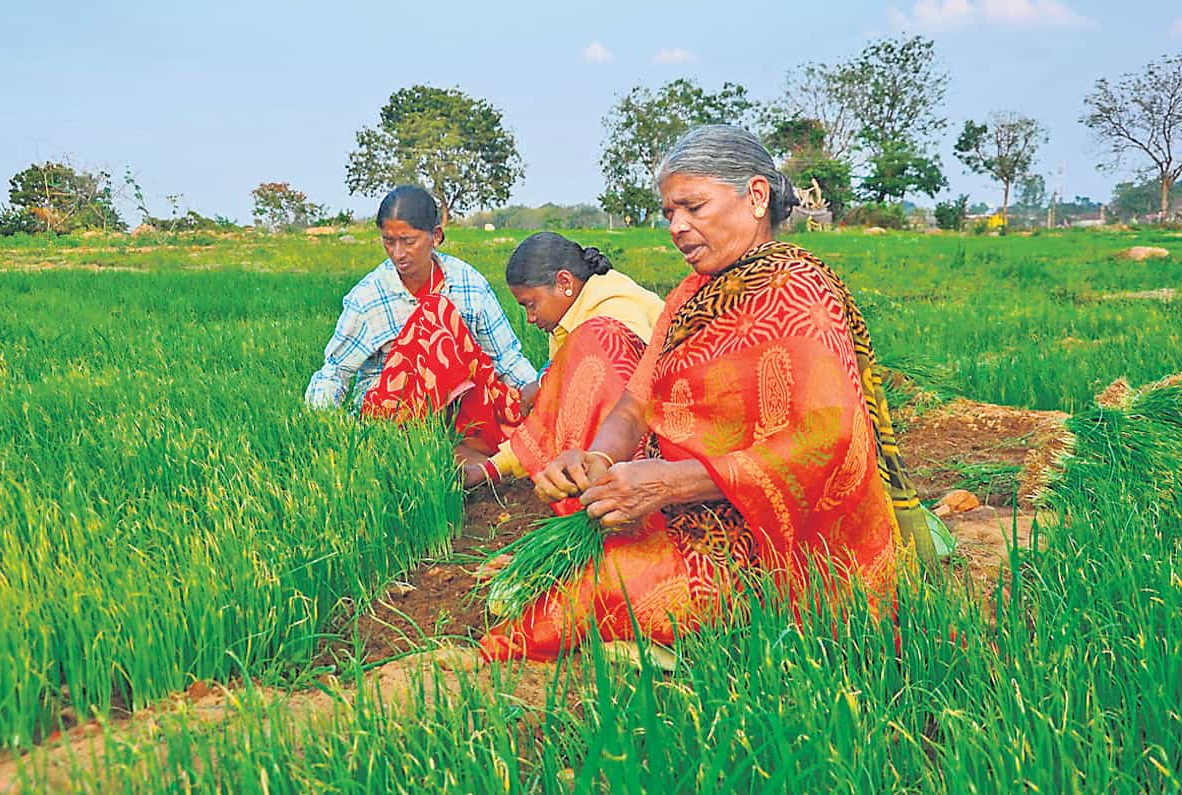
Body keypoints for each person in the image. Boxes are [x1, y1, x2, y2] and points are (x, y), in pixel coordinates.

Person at [480, 126, 936, 662]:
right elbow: (635, 403)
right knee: (578, 563)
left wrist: (671, 484)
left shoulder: (799, 292)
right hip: (682, 501)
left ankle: (483, 661)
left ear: (757, 197)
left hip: (764, 537)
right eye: (669, 212)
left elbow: (824, 440)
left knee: (598, 592)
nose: (677, 227)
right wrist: (598, 458)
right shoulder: (690, 294)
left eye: (692, 207)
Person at [305, 185, 537, 451]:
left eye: (408, 241)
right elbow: (335, 373)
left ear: (436, 236)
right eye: (388, 241)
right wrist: (325, 428)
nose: (398, 253)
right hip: (395, 415)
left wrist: (538, 399)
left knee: (439, 314)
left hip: (464, 405)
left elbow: (506, 358)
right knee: (434, 314)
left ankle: (470, 444)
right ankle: (425, 444)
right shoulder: (368, 298)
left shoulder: (469, 284)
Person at [462, 232, 663, 506]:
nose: (530, 318)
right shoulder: (568, 321)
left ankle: (595, 494)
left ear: (564, 282)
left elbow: (624, 398)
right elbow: (554, 413)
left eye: (531, 305)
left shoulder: (610, 321)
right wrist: (491, 469)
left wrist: (546, 382)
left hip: (650, 449)